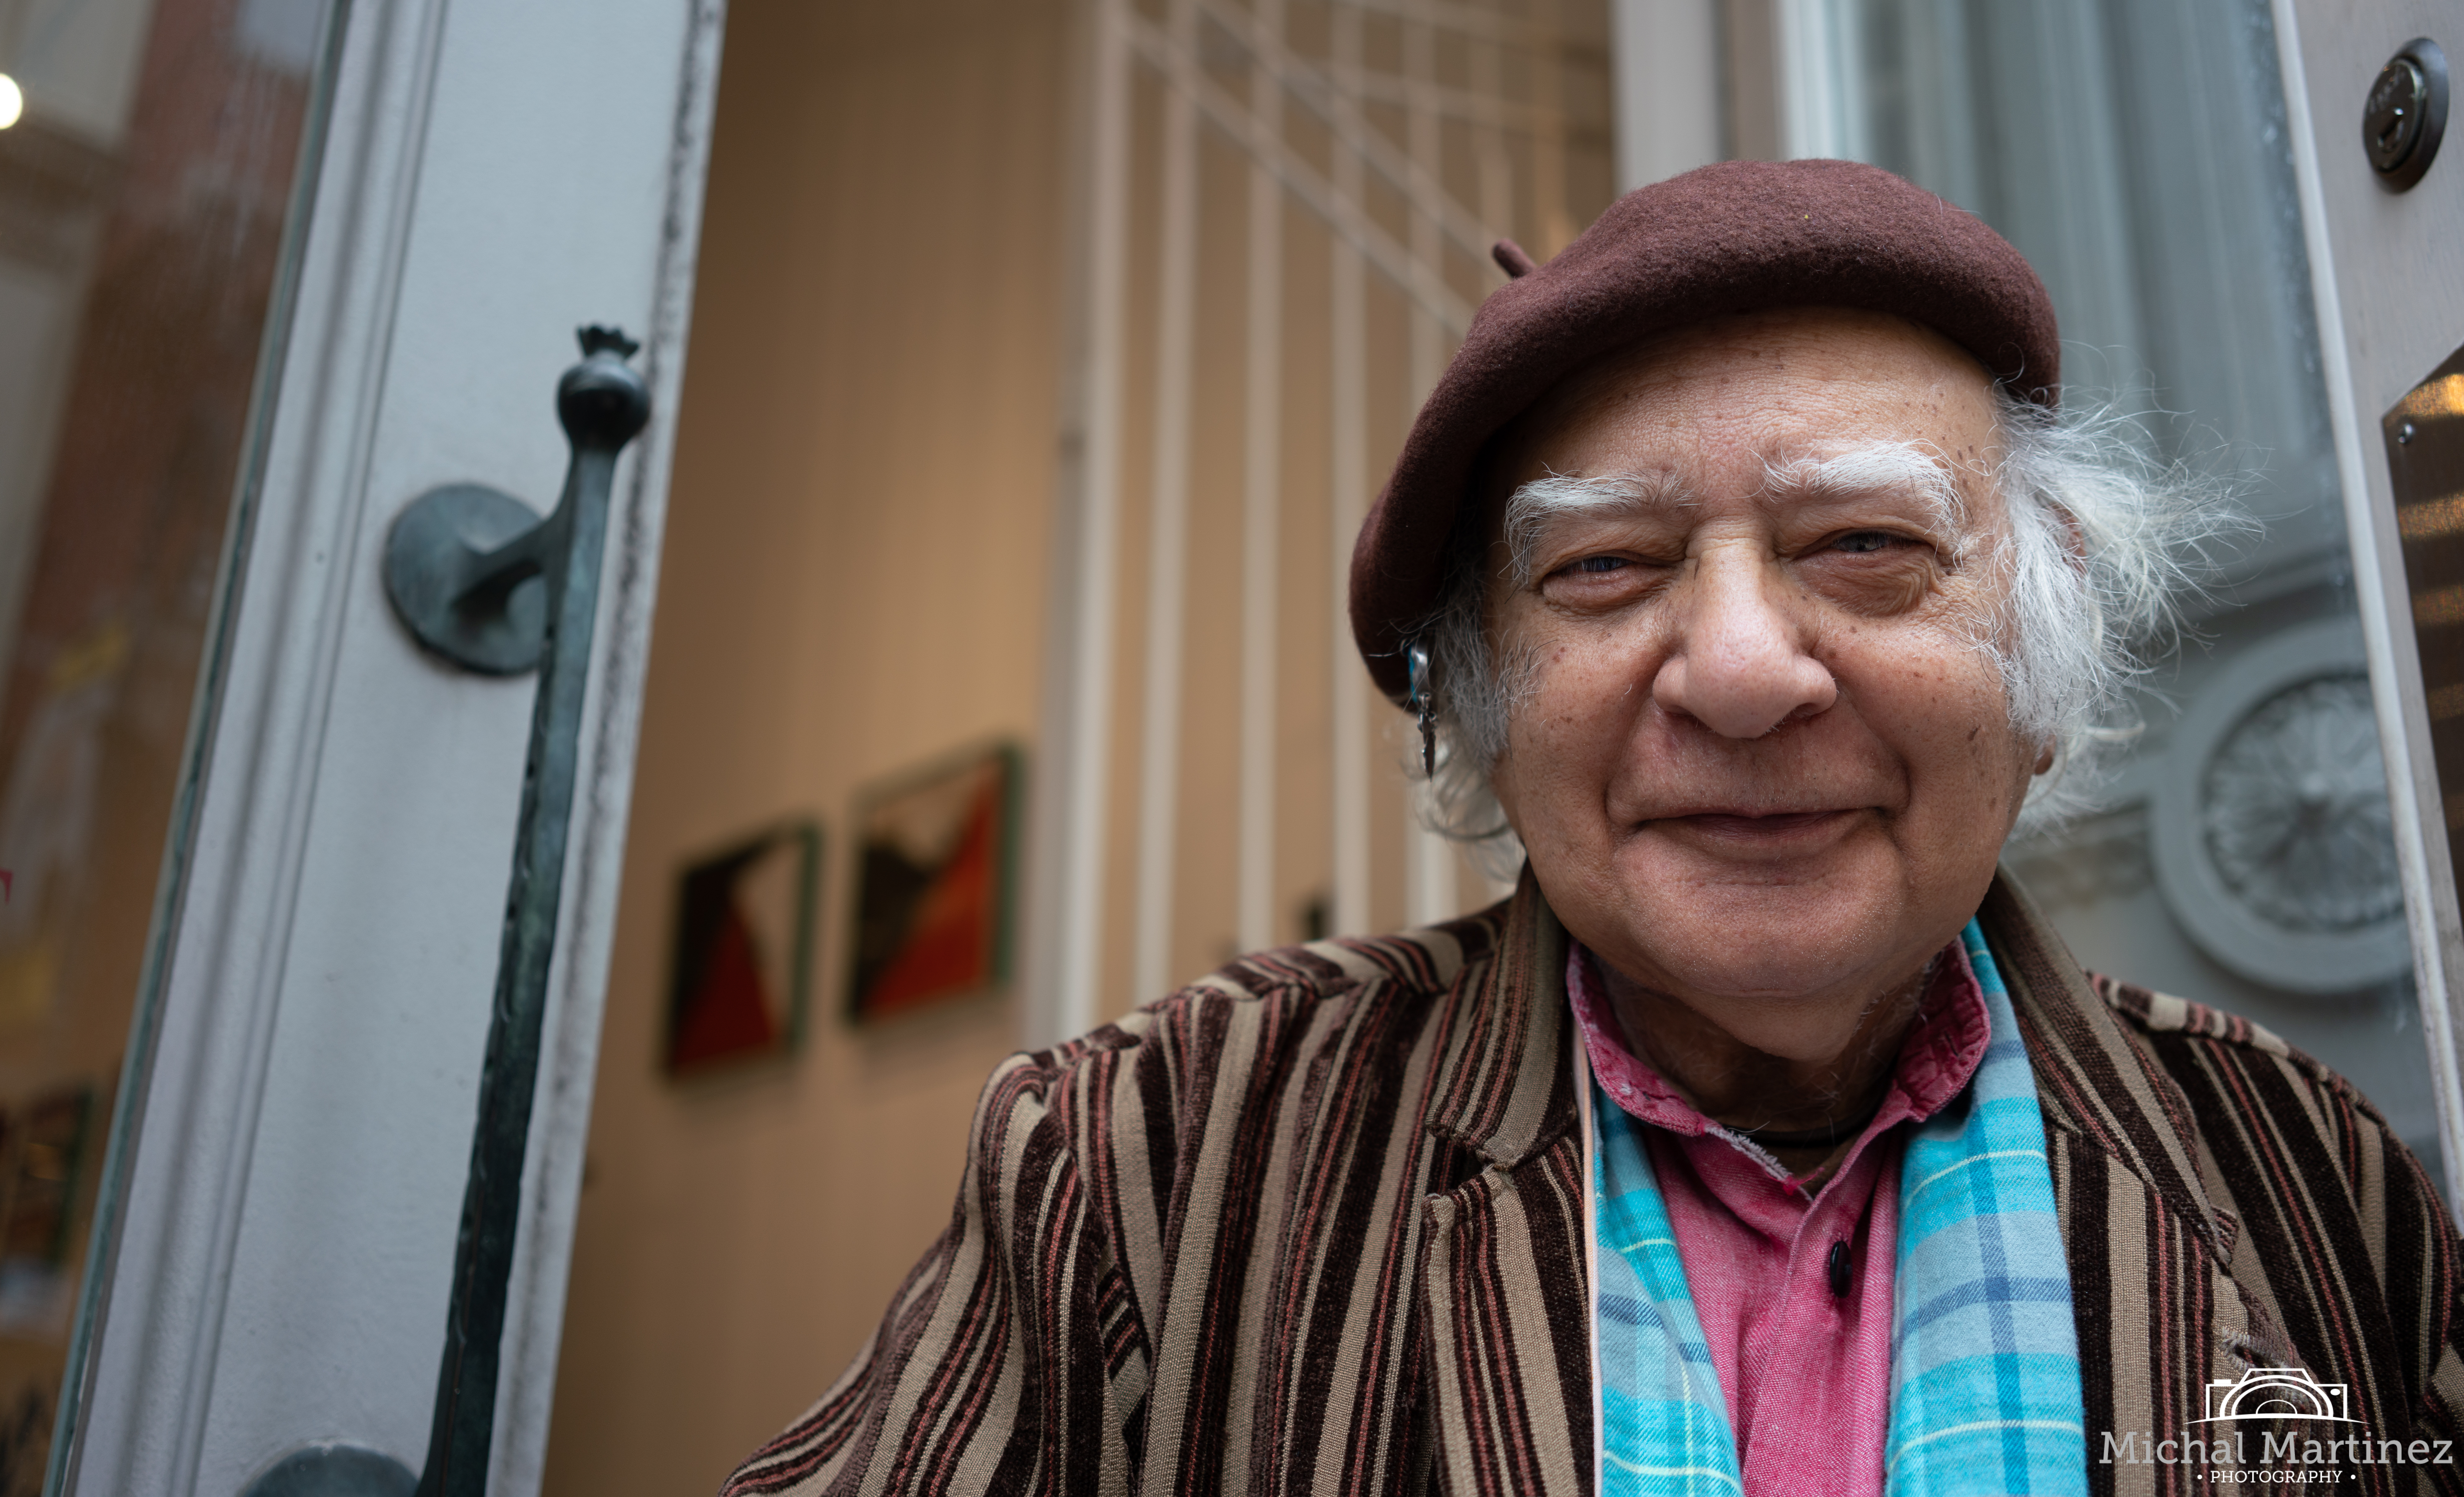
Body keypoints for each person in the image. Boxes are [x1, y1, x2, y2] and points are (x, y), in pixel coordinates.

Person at [722, 160, 2464, 1497]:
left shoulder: (2316, 1181)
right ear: (1487, 704)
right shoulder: (1154, 1164)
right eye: (1605, 568)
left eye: (1864, 544)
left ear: (2045, 643)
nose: (1736, 669)